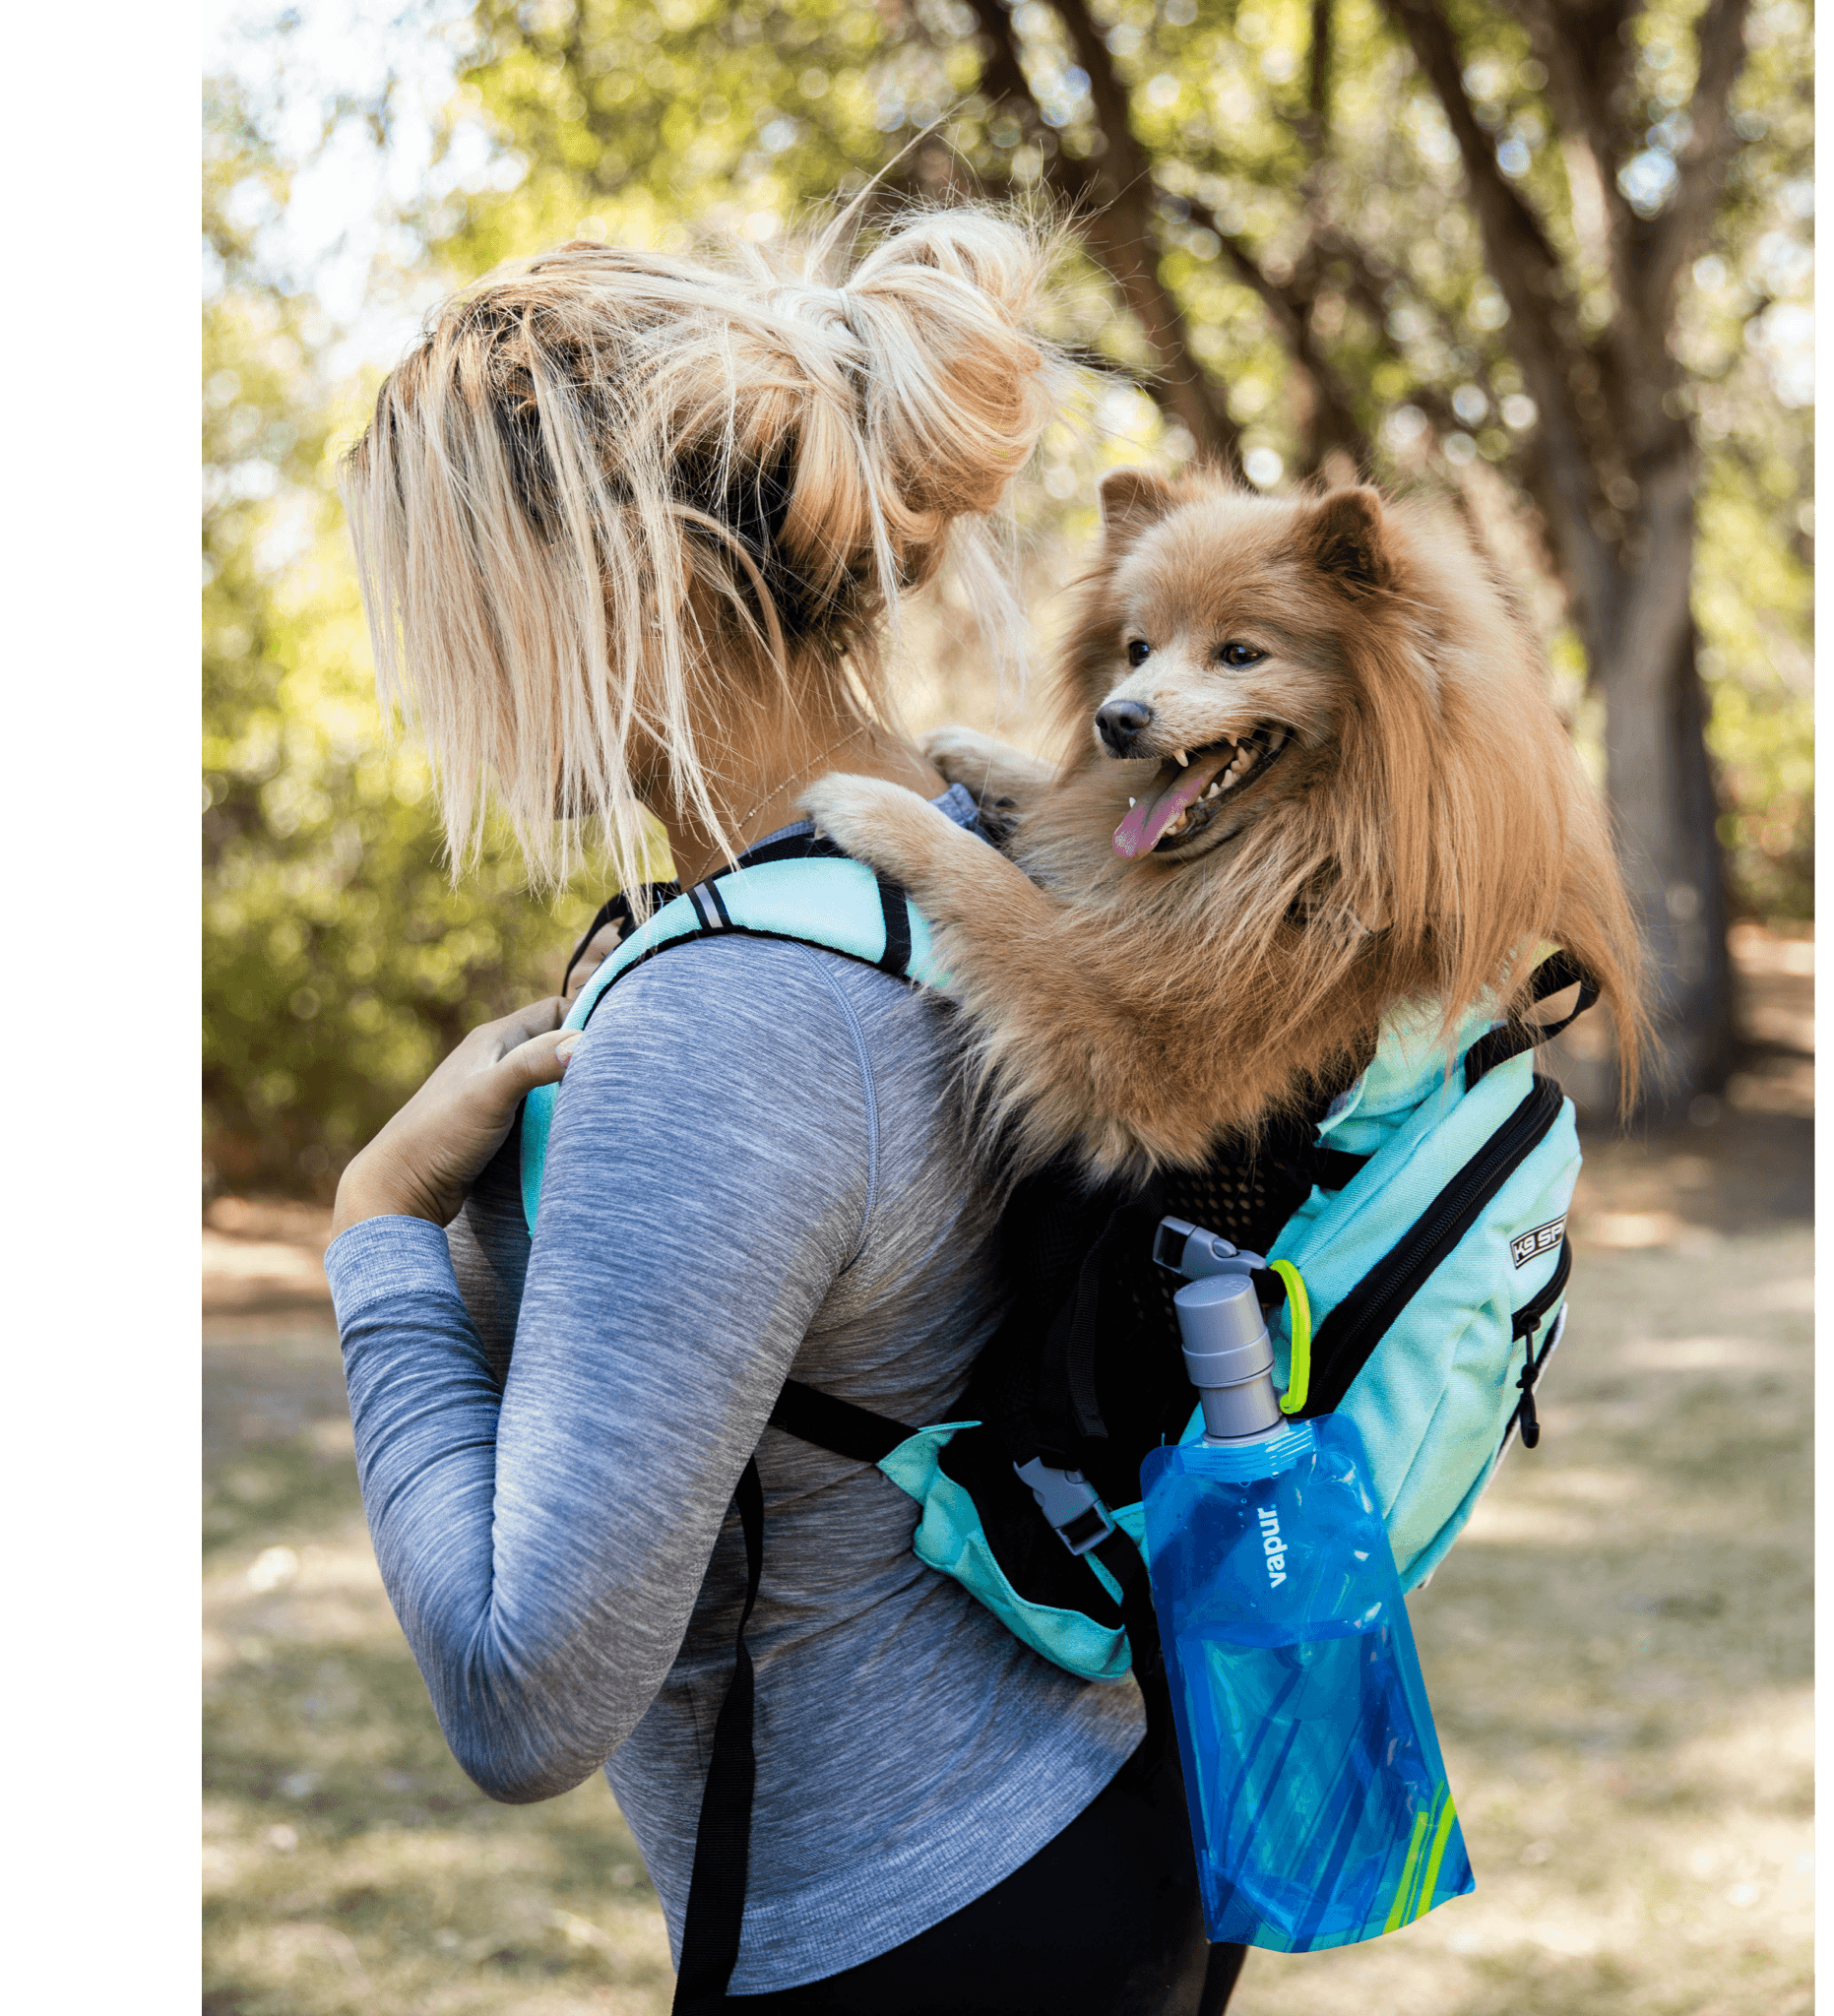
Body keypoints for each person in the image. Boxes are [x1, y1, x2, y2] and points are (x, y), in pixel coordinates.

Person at [325, 210, 1245, 2014]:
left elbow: (525, 1698)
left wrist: (375, 1230)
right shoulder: (989, 860)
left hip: (896, 1935)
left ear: (629, 585)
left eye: (455, 612)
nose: (440, 690)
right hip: (1117, 1818)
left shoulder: (730, 1020)